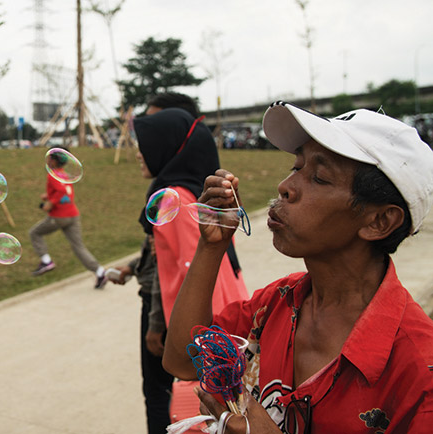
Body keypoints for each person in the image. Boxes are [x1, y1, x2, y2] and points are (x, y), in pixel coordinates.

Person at [162, 101, 433, 433]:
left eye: (319, 177)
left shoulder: (418, 370)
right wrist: (211, 246)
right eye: (296, 166)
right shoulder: (276, 303)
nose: (285, 187)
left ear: (379, 221)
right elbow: (182, 361)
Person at [125, 107, 248, 432]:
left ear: (167, 145)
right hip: (210, 317)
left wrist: (157, 325)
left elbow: (185, 268)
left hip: (183, 323)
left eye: (146, 144)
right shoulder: (190, 191)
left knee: (162, 397)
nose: (139, 153)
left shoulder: (174, 197)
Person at [29, 146, 108, 289]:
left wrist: (50, 203)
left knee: (34, 233)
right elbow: (66, 191)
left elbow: (60, 192)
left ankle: (46, 261)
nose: (47, 160)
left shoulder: (52, 175)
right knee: (79, 247)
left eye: (49, 157)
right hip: (73, 215)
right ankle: (100, 272)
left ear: (53, 161)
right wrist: (48, 196)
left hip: (59, 217)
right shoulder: (63, 174)